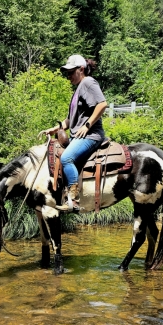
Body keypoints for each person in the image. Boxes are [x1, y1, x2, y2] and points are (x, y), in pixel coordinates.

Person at [43, 55, 107, 212]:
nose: (68, 76)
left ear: (81, 69)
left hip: (91, 135)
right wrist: (55, 128)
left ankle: (74, 200)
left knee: (66, 158)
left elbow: (102, 104)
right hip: (78, 136)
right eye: (67, 73)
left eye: (71, 72)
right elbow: (71, 119)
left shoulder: (88, 82)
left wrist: (87, 125)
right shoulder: (78, 89)